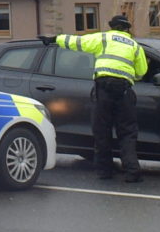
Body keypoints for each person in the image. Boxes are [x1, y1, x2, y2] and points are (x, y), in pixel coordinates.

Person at [53, 12, 148, 182]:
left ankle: (105, 171)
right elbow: (142, 71)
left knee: (102, 131)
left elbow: (77, 42)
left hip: (103, 89)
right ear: (127, 29)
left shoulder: (104, 38)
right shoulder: (135, 46)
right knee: (127, 132)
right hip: (124, 91)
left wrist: (55, 39)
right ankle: (132, 172)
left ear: (112, 27)